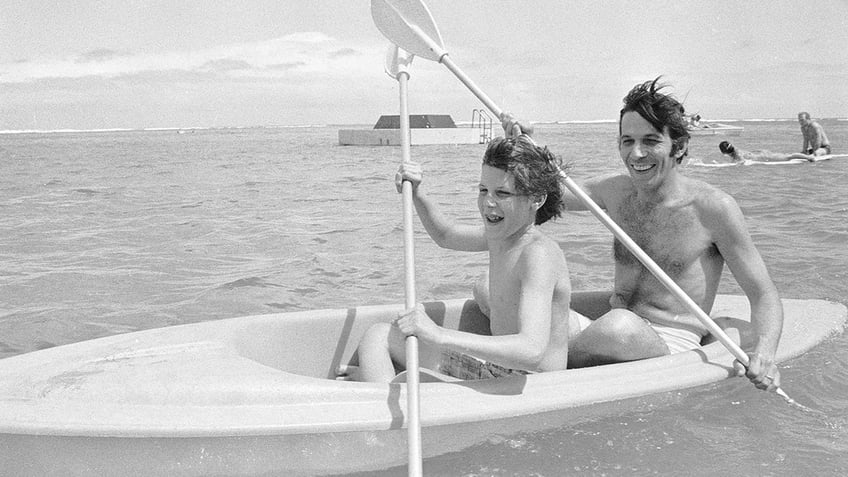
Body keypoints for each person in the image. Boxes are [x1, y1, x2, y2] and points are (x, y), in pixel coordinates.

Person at [502, 78, 784, 392]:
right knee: (499, 289)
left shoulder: (714, 209)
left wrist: (766, 353)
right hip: (609, 330)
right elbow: (542, 198)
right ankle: (532, 357)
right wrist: (524, 146)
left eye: (650, 141)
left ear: (679, 146)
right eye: (627, 141)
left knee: (618, 327)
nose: (636, 153)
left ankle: (536, 364)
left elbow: (763, 294)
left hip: (668, 345)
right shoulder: (615, 191)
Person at [351, 135, 588, 382]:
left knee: (394, 358)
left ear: (537, 199)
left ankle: (383, 397)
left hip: (530, 383)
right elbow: (446, 234)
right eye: (483, 190)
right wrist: (417, 192)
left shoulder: (538, 254)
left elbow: (531, 350)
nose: (488, 203)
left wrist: (438, 334)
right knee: (378, 336)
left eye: (503, 193)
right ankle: (378, 392)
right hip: (497, 370)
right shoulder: (502, 236)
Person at [718, 141, 815, 163]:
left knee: (788, 157)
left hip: (763, 156)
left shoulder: (737, 154)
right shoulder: (735, 151)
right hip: (760, 153)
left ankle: (809, 157)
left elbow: (742, 161)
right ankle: (806, 154)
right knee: (786, 155)